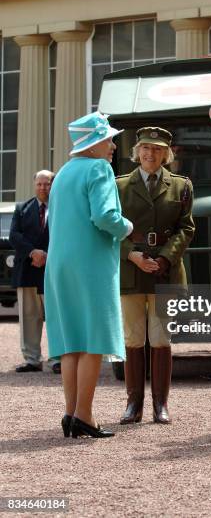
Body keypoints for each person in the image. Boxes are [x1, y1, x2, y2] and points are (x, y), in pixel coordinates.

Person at [45, 112, 133, 439]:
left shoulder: (64, 172)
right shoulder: (99, 168)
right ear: (94, 143)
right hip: (90, 262)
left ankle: (71, 414)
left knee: (71, 342)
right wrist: (128, 227)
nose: (113, 145)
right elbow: (105, 216)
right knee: (94, 339)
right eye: (109, 139)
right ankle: (84, 415)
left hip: (60, 264)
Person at [117, 127, 194, 425]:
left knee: (161, 338)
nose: (151, 154)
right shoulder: (118, 186)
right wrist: (132, 255)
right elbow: (109, 229)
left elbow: (186, 228)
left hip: (166, 272)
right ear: (137, 151)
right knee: (134, 338)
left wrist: (164, 257)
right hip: (131, 272)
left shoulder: (181, 185)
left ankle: (160, 405)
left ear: (167, 153)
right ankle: (133, 404)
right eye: (146, 148)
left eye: (158, 149)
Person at [10, 170, 61, 374]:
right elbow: (14, 235)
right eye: (39, 184)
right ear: (34, 185)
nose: (43, 188)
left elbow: (65, 234)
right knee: (29, 317)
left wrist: (48, 254)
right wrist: (33, 252)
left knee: (56, 317)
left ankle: (57, 358)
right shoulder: (22, 208)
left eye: (47, 184)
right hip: (28, 271)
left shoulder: (61, 208)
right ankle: (32, 359)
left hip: (53, 271)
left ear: (53, 185)